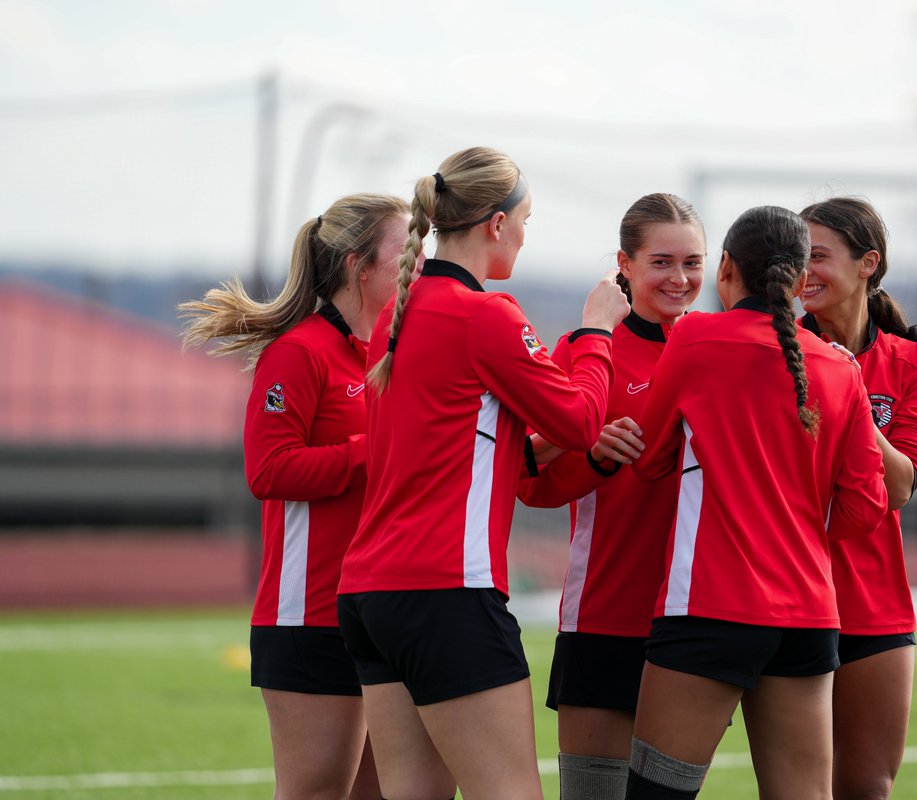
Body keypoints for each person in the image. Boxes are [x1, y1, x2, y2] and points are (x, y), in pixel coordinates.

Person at [335, 146, 630, 800]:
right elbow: (578, 422)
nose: (526, 234)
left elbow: (463, 446)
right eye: (526, 219)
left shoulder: (399, 311)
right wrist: (596, 333)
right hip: (446, 592)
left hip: (370, 594)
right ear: (496, 224)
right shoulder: (486, 315)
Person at [179, 193, 441, 800]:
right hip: (310, 615)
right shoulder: (298, 353)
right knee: (316, 791)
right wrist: (373, 448)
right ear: (360, 266)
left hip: (384, 612)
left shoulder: (393, 356)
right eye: (407, 253)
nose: (418, 267)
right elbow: (268, 471)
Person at [626, 205, 889, 800]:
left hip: (708, 609)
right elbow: (864, 508)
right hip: (807, 615)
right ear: (800, 282)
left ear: (725, 269)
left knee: (655, 793)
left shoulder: (694, 337)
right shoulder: (842, 370)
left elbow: (649, 460)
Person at [518, 193, 706, 800]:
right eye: (661, 262)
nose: (679, 279)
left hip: (701, 615)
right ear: (622, 264)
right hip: (609, 610)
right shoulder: (586, 349)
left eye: (693, 262)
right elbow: (533, 485)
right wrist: (596, 457)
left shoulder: (715, 347)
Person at [798, 197, 917, 800]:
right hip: (789, 594)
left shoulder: (912, 362)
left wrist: (847, 388)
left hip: (874, 601)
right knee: (798, 787)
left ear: (868, 264)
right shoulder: (774, 348)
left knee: (866, 786)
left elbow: (901, 485)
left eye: (821, 256)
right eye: (798, 256)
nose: (805, 269)